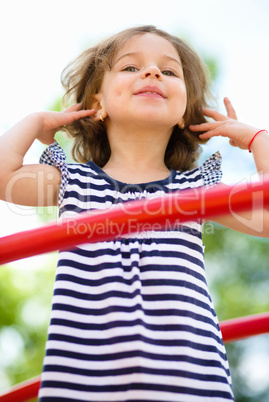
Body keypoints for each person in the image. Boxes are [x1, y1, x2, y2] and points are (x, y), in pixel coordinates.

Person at [0, 25, 268, 401]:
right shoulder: (73, 182)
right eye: (130, 67)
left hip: (190, 386)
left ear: (182, 113)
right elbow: (3, 176)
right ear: (99, 104)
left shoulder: (197, 191)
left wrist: (255, 138)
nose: (153, 73)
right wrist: (35, 122)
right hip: (83, 387)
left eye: (169, 71)